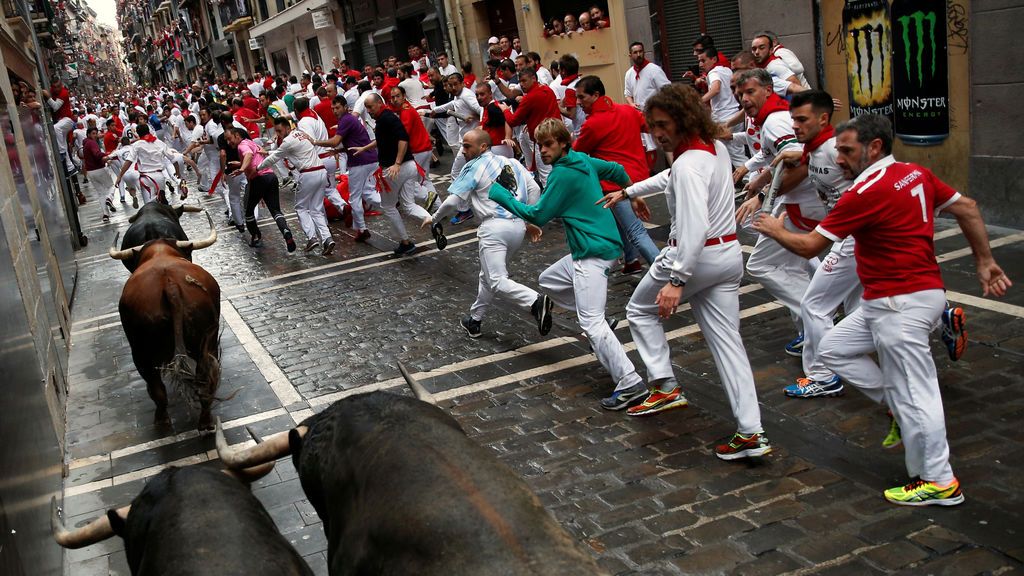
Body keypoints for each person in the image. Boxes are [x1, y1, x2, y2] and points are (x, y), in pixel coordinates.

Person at [752, 113, 1012, 506]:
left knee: (919, 393)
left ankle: (941, 481)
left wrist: (774, 229)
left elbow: (808, 248)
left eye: (846, 150)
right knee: (832, 348)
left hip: (899, 304)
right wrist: (983, 261)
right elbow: (969, 207)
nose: (838, 158)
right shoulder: (914, 173)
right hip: (903, 297)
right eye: (838, 149)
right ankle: (895, 407)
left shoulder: (864, 192)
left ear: (874, 147)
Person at [599, 84, 769, 462]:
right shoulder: (712, 150)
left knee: (639, 311)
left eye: (662, 124)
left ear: (682, 119)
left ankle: (664, 385)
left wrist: (677, 280)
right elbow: (670, 178)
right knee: (729, 345)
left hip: (696, 256)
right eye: (652, 126)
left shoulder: (689, 163)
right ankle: (751, 431)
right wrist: (628, 191)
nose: (657, 133)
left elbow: (693, 225)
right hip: (726, 256)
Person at [489, 118, 646, 406]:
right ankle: (602, 322)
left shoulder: (562, 175)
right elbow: (618, 170)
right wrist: (631, 194)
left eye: (548, 145)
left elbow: (537, 214)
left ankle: (630, 383)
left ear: (563, 143)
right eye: (539, 145)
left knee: (591, 322)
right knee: (549, 280)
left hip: (593, 251)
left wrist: (499, 195)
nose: (543, 151)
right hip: (600, 246)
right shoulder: (581, 160)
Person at [733, 68, 825, 356]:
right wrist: (758, 176)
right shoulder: (770, 119)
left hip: (802, 205)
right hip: (801, 204)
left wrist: (761, 196)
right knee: (796, 265)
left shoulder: (774, 121)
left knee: (762, 264)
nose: (744, 98)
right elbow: (779, 156)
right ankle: (812, 327)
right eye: (740, 93)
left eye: (750, 92)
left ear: (768, 91)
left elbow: (799, 164)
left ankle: (819, 320)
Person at [423, 129, 547, 338]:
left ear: (483, 147)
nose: (463, 151)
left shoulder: (474, 166)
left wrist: (434, 218)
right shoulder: (513, 163)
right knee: (487, 275)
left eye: (467, 146)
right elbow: (534, 189)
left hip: (493, 229)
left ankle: (535, 301)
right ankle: (475, 320)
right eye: (462, 145)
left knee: (497, 280)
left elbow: (454, 201)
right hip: (516, 226)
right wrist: (528, 220)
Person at [572, 75, 659, 273]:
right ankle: (631, 260)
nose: (578, 102)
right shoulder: (627, 110)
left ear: (595, 95)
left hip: (615, 185)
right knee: (624, 223)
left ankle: (664, 271)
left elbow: (577, 153)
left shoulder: (592, 124)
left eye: (582, 97)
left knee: (636, 230)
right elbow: (650, 126)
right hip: (638, 178)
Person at [360, 93, 433, 255]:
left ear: (380, 103)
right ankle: (427, 217)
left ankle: (405, 242)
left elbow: (403, 139)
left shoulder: (387, 118)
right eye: (366, 108)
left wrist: (397, 163)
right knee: (408, 204)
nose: (369, 111)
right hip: (409, 167)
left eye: (370, 107)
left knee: (388, 206)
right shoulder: (385, 119)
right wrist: (364, 149)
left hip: (395, 169)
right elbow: (384, 140)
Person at [308, 96, 381, 243]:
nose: (335, 111)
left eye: (337, 108)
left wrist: (314, 142)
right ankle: (391, 204)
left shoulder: (346, 120)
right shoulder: (348, 119)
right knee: (367, 192)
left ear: (345, 107)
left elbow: (335, 141)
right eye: (333, 108)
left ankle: (362, 229)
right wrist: (339, 151)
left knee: (354, 198)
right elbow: (353, 141)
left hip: (359, 162)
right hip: (369, 159)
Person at [260, 117, 335, 254]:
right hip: (320, 171)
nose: (278, 134)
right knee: (316, 209)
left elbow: (275, 157)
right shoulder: (300, 134)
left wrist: (258, 168)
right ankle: (327, 238)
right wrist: (268, 152)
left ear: (287, 128)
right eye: (276, 131)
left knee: (301, 208)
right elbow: (284, 152)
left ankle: (312, 237)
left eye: (280, 131)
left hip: (308, 174)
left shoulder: (288, 141)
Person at [225, 127, 296, 252]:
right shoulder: (252, 143)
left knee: (248, 210)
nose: (228, 142)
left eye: (229, 139)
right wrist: (241, 164)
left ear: (237, 135)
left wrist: (242, 169)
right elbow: (257, 155)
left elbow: (248, 155)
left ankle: (256, 237)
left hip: (258, 179)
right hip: (271, 177)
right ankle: (286, 231)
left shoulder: (242, 146)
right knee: (275, 210)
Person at [502, 67, 561, 186]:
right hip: (557, 137)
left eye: (524, 81)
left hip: (543, 140)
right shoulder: (547, 89)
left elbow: (513, 120)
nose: (522, 84)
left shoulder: (529, 97)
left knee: (546, 177)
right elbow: (543, 111)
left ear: (533, 78)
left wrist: (505, 110)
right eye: (520, 82)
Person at [624, 42, 670, 164]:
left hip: (655, 115)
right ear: (630, 55)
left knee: (666, 144)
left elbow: (667, 90)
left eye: (640, 51)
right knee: (645, 148)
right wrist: (631, 104)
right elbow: (628, 94)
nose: (638, 54)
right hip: (640, 117)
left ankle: (674, 168)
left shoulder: (654, 70)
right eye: (635, 52)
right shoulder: (629, 74)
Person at [42, 78, 78, 173]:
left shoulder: (64, 92)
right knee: (63, 143)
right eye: (55, 87)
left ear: (61, 84)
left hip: (67, 120)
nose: (57, 89)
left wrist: (48, 97)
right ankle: (71, 167)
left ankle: (61, 152)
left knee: (55, 128)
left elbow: (55, 106)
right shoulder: (52, 91)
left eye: (58, 86)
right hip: (61, 121)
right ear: (52, 87)